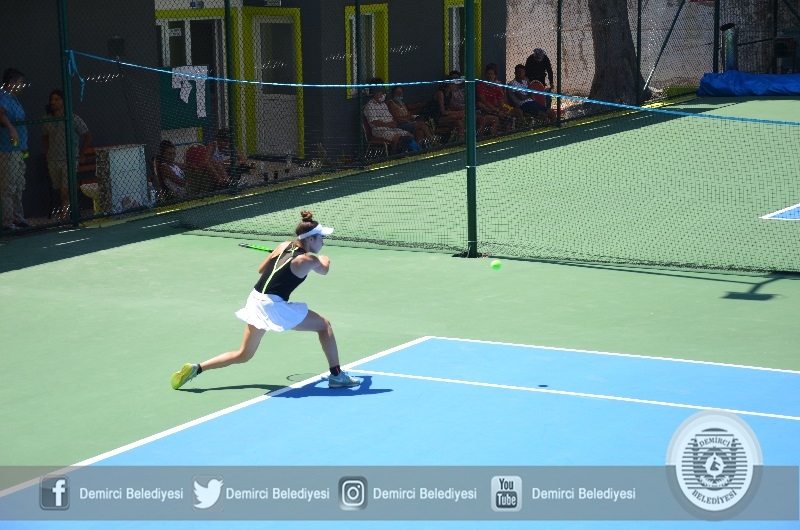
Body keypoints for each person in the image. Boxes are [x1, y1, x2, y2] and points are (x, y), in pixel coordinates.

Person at [170, 210, 362, 390]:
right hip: (272, 305)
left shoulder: (284, 246)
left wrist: (281, 264)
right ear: (311, 239)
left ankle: (197, 368)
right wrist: (325, 259)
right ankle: (337, 376)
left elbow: (262, 269)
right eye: (322, 238)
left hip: (255, 300)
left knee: (243, 354)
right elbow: (324, 270)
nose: (323, 243)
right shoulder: (308, 260)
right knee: (324, 325)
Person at [41, 89, 92, 220]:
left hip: (69, 159)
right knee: (61, 189)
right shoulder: (46, 120)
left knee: (65, 190)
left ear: (63, 101)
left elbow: (87, 136)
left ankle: (64, 218)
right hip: (53, 160)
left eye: (57, 99)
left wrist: (80, 154)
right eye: (52, 99)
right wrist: (48, 153)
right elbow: (45, 137)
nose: (53, 102)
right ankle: (73, 209)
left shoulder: (73, 118)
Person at [0, 68, 29, 231]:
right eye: (20, 82)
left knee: (18, 186)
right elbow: (1, 113)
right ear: (11, 82)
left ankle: (19, 219)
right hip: (8, 150)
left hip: (19, 150)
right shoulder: (3, 96)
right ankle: (8, 222)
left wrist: (24, 148)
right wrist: (11, 129)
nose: (22, 85)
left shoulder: (14, 99)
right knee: (8, 187)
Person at [363, 78, 415, 154]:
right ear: (376, 93)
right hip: (379, 130)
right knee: (397, 138)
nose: (383, 95)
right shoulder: (370, 106)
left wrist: (393, 122)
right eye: (381, 93)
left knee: (409, 135)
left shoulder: (383, 105)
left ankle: (407, 153)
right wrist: (387, 124)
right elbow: (374, 122)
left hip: (390, 128)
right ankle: (393, 156)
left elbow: (390, 118)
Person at [476, 63, 523, 131]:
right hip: (488, 108)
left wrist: (502, 109)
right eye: (488, 73)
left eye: (491, 74)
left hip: (498, 107)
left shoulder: (497, 87)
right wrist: (496, 109)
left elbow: (500, 101)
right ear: (485, 75)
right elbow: (483, 101)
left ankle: (517, 130)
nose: (490, 75)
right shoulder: (480, 86)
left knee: (519, 112)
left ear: (495, 76)